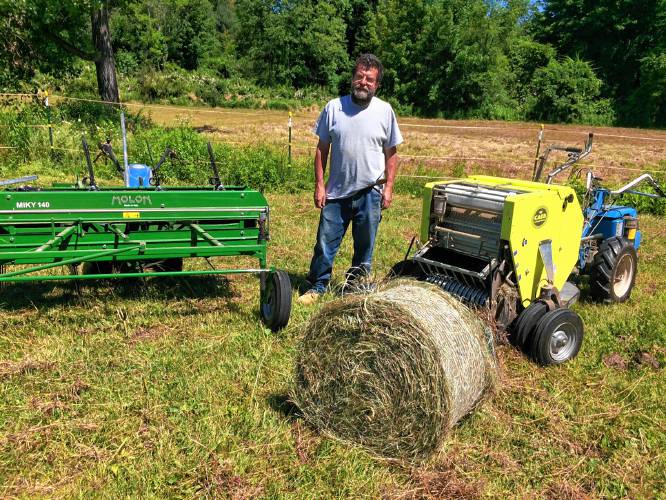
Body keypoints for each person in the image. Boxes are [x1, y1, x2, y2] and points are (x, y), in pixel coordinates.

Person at [298, 53, 403, 305]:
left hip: (370, 193)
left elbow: (391, 153)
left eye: (369, 79)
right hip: (336, 192)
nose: (363, 82)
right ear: (352, 78)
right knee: (325, 243)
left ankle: (354, 287)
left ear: (376, 85)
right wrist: (320, 185)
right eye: (359, 76)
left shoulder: (385, 111)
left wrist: (388, 187)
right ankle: (317, 286)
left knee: (365, 247)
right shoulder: (334, 107)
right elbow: (322, 149)